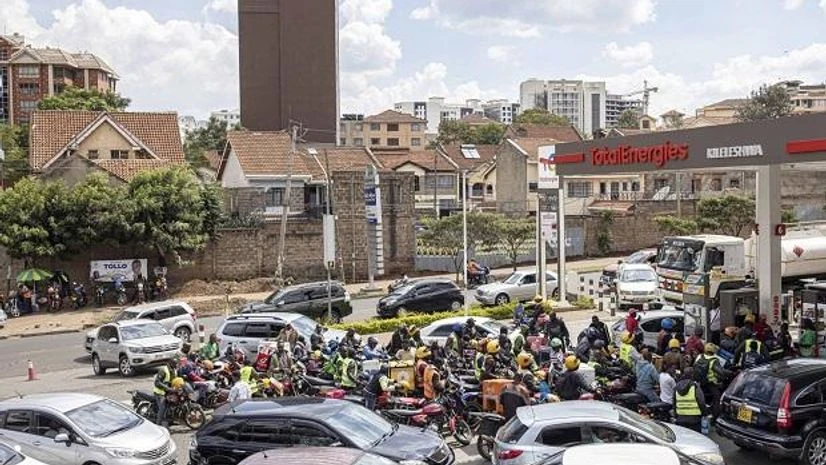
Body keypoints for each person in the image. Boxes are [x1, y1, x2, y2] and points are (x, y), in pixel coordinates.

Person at [694, 343, 730, 419]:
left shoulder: (700, 356)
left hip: (700, 382)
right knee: (717, 397)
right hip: (710, 383)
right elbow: (721, 372)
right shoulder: (714, 360)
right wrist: (729, 373)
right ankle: (715, 416)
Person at [673, 367, 707, 433]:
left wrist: (676, 416)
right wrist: (704, 414)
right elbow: (701, 402)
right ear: (692, 375)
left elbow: (674, 403)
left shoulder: (676, 387)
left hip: (680, 419)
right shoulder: (695, 387)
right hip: (694, 420)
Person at [153, 360, 176, 427]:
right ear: (170, 363)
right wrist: (167, 388)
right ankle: (158, 425)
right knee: (162, 407)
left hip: (169, 392)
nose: (177, 365)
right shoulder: (163, 370)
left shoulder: (174, 370)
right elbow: (157, 382)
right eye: (175, 363)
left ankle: (171, 420)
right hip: (160, 392)